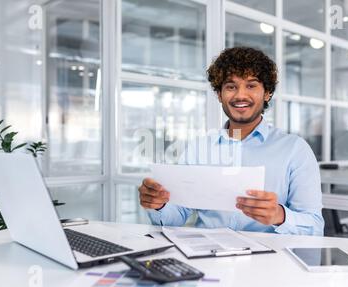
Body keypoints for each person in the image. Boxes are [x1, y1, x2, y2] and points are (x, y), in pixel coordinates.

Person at [138, 47, 324, 236]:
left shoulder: (295, 150)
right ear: (220, 94)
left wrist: (279, 215)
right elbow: (176, 216)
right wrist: (158, 204)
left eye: (251, 85)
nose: (240, 95)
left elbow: (315, 226)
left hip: (269, 261)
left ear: (267, 93)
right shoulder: (199, 148)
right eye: (231, 86)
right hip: (206, 257)